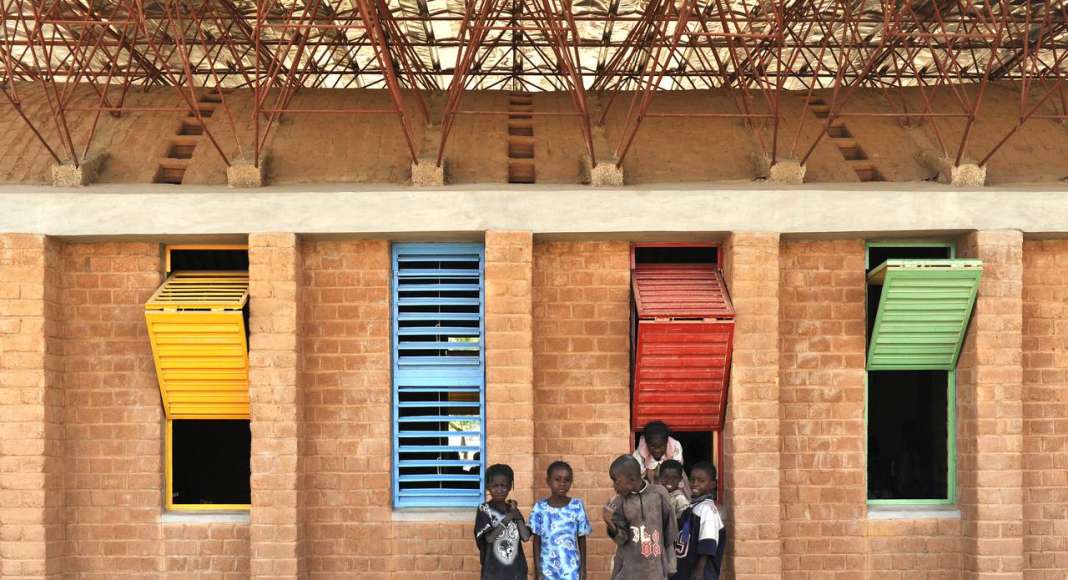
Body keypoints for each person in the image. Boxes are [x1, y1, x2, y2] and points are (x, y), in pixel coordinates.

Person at [603, 455, 677, 580]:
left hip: (655, 571)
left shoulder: (659, 494)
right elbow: (622, 539)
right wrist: (609, 522)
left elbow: (670, 532)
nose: (614, 486)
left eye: (616, 481)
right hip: (629, 572)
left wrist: (671, 565)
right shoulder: (619, 503)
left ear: (632, 480)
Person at [530, 461, 593, 580]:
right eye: (557, 479)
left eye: (567, 480)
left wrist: (583, 569)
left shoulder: (577, 506)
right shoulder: (540, 508)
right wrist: (538, 570)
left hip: (570, 569)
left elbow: (582, 539)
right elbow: (536, 541)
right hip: (547, 570)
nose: (562, 484)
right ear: (548, 481)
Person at [474, 464, 531, 580]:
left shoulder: (512, 509)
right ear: (488, 487)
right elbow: (489, 538)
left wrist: (516, 513)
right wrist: (507, 518)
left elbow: (525, 536)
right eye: (495, 486)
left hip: (517, 570)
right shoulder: (484, 509)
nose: (499, 490)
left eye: (503, 486)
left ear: (510, 486)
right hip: (494, 572)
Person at [671, 462, 725, 580]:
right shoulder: (695, 506)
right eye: (692, 480)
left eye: (701, 481)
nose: (695, 484)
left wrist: (700, 568)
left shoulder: (708, 510)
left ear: (712, 485)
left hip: (700, 573)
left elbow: (708, 539)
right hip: (687, 569)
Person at [633, 421, 690, 497]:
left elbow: (677, 468)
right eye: (653, 447)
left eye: (661, 446)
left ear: (667, 442)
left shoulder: (674, 446)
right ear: (646, 443)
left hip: (672, 474)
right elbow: (639, 474)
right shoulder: (641, 452)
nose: (657, 450)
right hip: (651, 478)